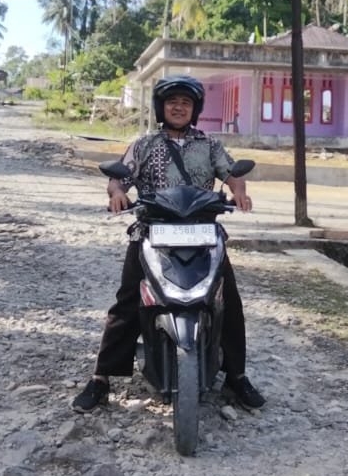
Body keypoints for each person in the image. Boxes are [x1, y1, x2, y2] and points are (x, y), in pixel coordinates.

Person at [72, 75, 266, 413]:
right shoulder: (144, 144)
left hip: (202, 231)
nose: (178, 107)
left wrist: (239, 190)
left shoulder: (209, 145)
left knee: (227, 301)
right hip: (153, 229)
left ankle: (236, 374)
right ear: (162, 107)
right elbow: (120, 176)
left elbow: (231, 171)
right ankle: (101, 378)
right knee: (129, 300)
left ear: (195, 110)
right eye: (172, 101)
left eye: (186, 103)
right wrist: (118, 192)